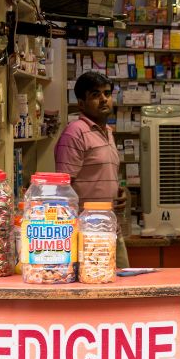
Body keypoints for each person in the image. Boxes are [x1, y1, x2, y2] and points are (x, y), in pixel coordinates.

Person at [55, 71, 130, 268]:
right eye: (95, 95)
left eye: (107, 93)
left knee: (123, 287)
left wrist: (118, 193)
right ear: (81, 103)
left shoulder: (108, 133)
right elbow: (63, 192)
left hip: (111, 228)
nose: (104, 99)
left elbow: (101, 176)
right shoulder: (74, 134)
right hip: (86, 233)